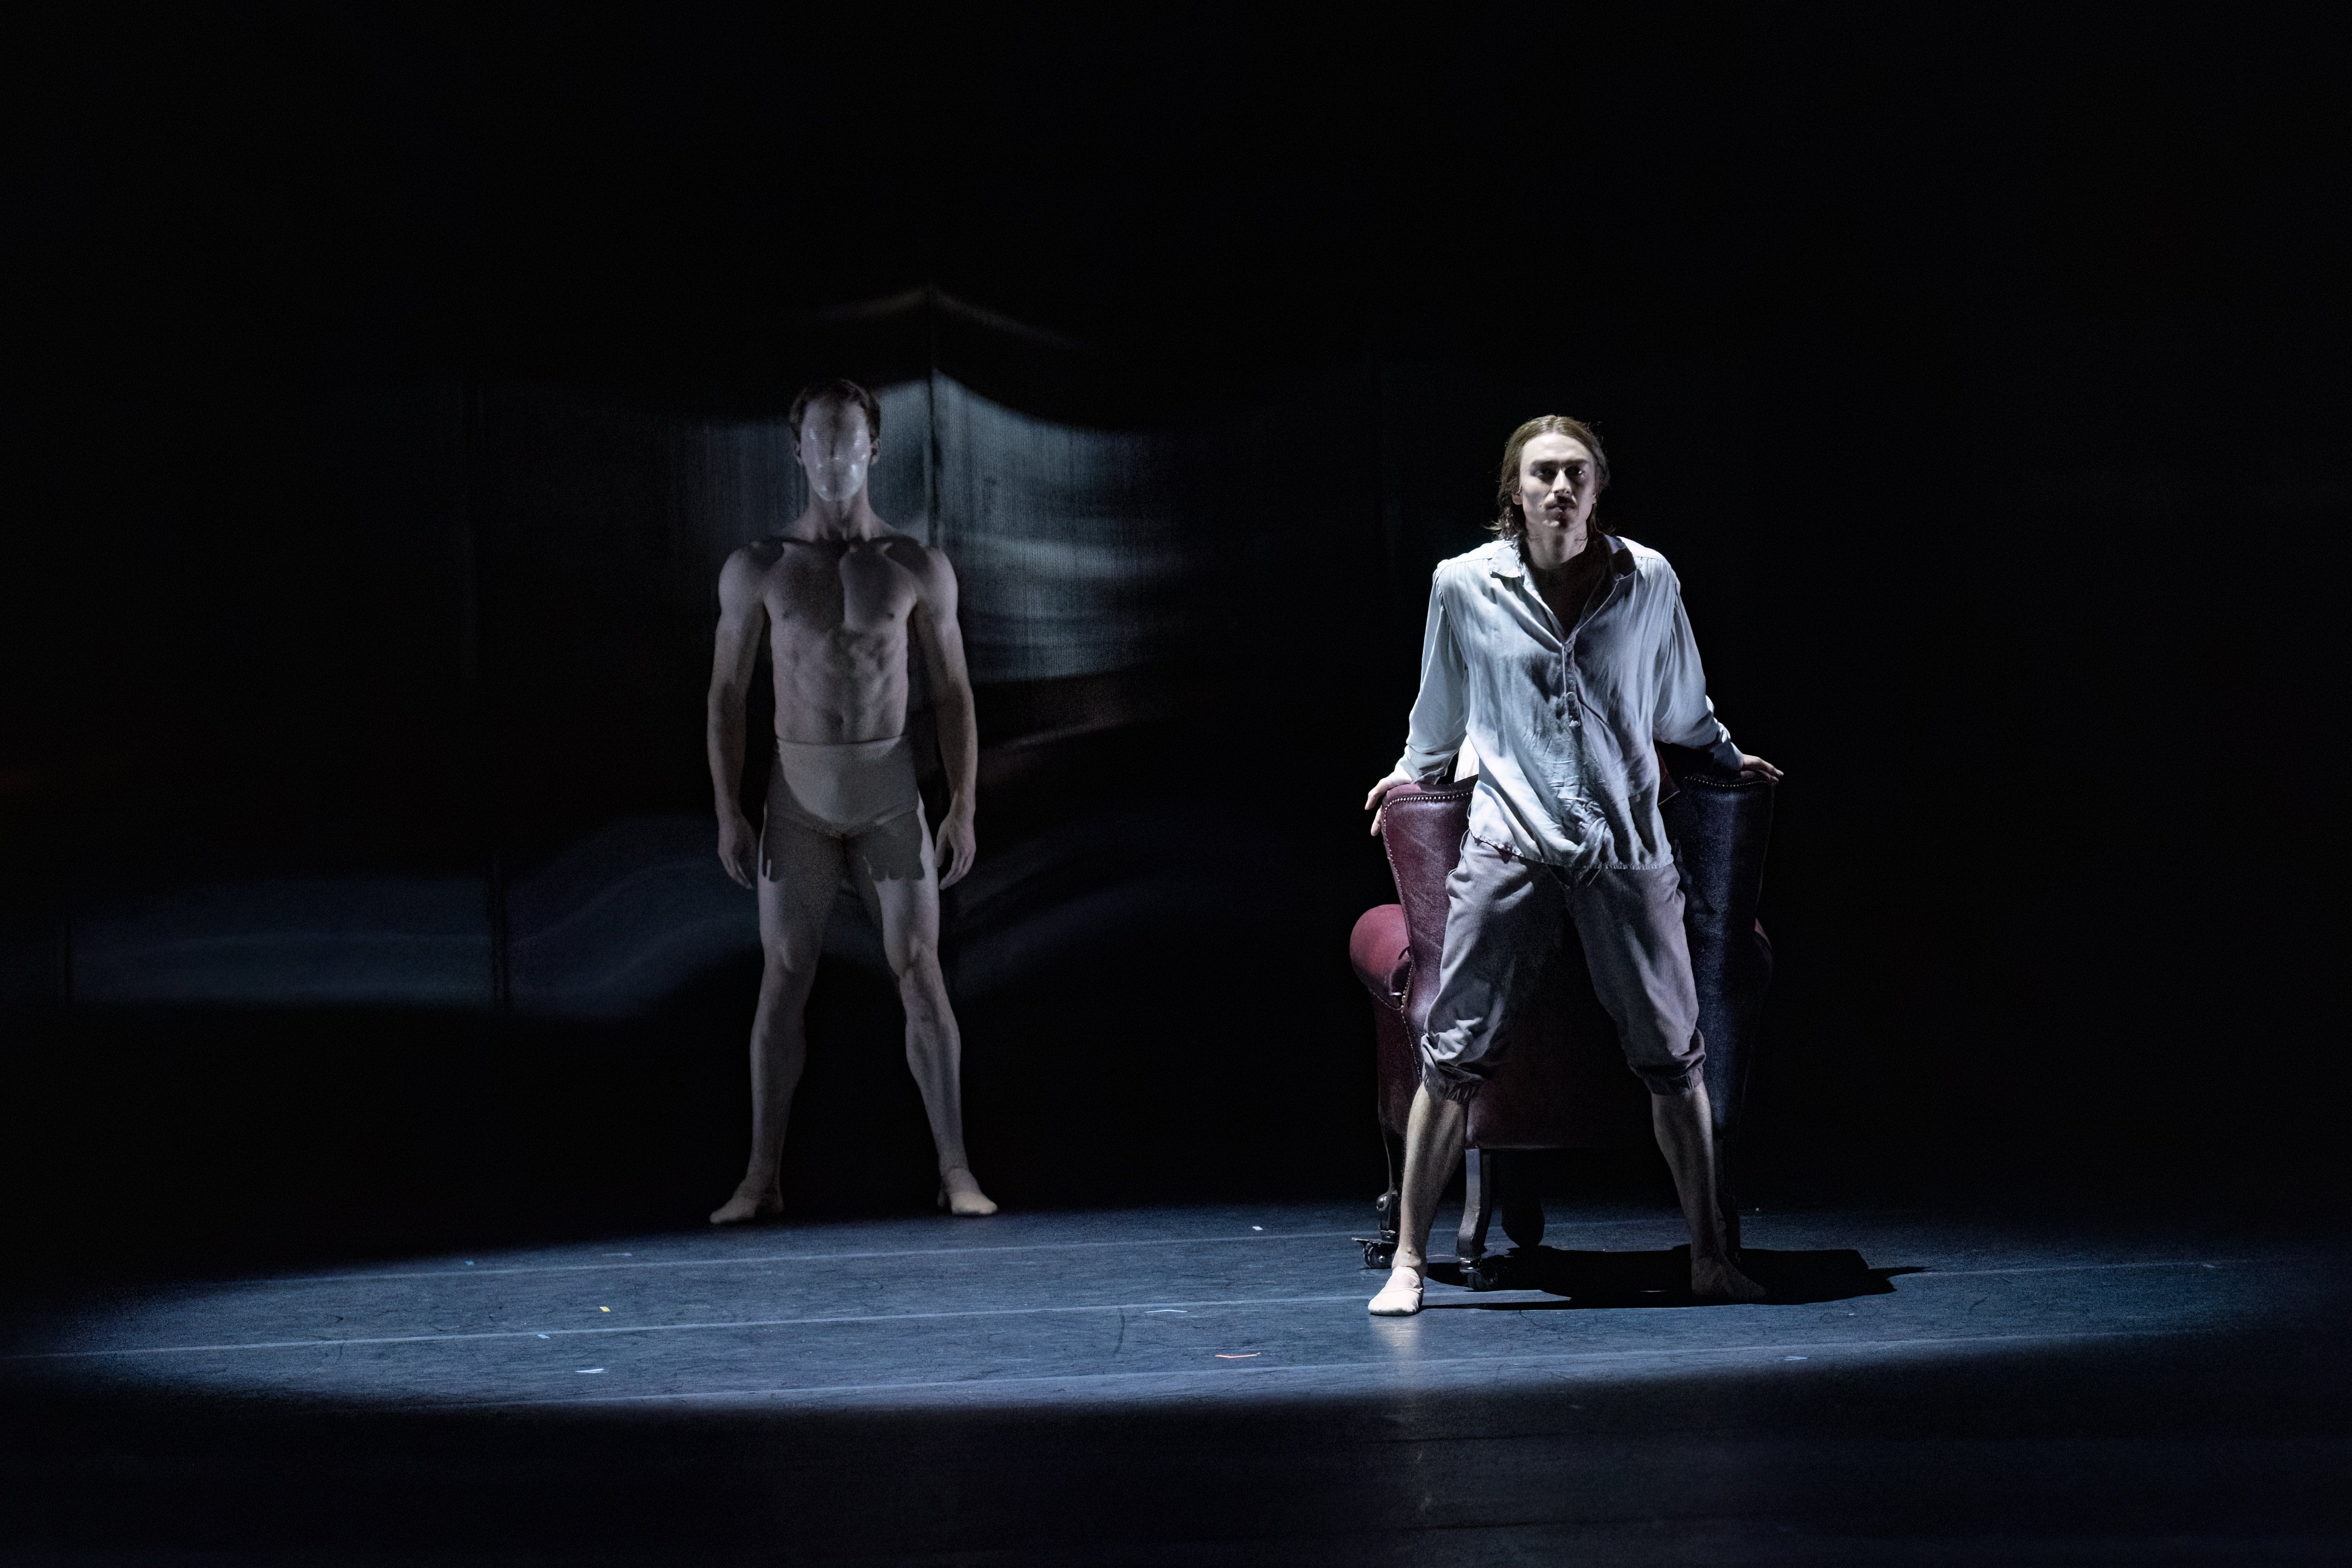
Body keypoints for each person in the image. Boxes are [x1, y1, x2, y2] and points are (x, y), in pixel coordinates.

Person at [1362, 416, 1779, 1313]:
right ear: (1514, 489)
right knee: (1453, 1051)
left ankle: (1710, 1256)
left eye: (1576, 474)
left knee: (1674, 1053)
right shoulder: (1464, 585)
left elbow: (1680, 700)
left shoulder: (1648, 578)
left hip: (1625, 845)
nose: (1560, 488)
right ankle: (1407, 1262)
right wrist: (1407, 776)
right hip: (1511, 839)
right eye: (1543, 474)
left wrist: (1722, 753)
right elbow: (1439, 711)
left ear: (1597, 489)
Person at [705, 378, 995, 1222]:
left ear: (874, 447)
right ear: (799, 451)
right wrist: (729, 808)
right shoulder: (759, 566)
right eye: (820, 442)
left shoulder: (914, 566)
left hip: (886, 794)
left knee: (920, 973)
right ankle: (760, 1177)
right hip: (795, 797)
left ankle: (956, 1170)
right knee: (783, 976)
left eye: (849, 440)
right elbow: (726, 694)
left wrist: (964, 804)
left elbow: (954, 694)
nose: (835, 457)